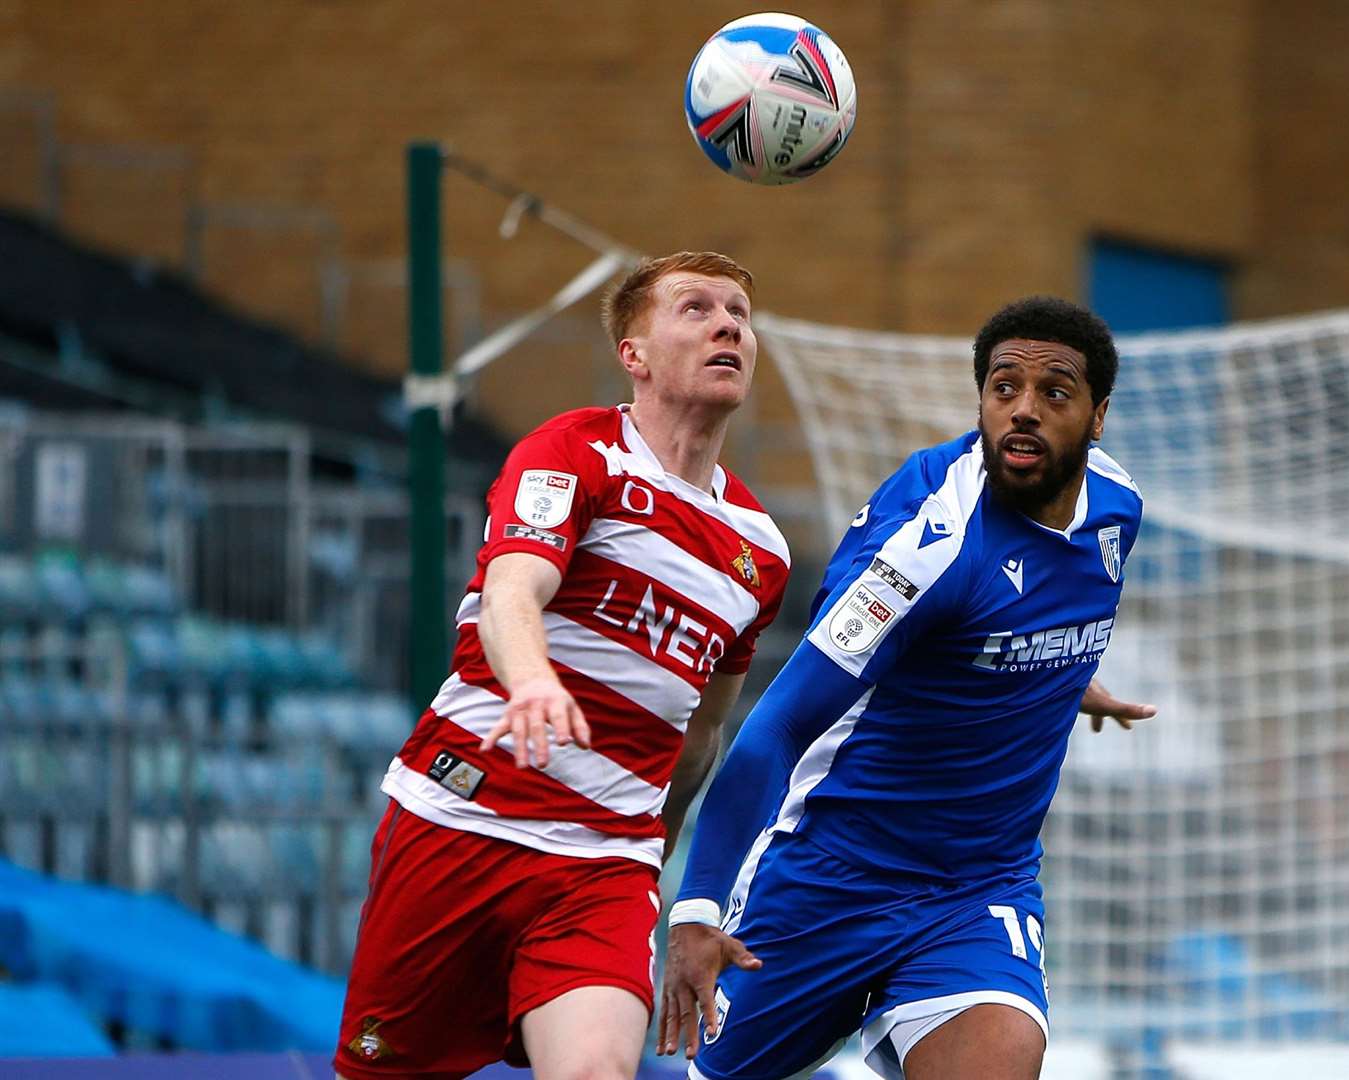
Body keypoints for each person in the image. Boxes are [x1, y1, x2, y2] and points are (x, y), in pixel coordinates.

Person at [659, 296, 1156, 1080]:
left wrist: (1060, 672)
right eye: (1003, 389)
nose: (1022, 411)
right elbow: (778, 728)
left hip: (979, 888)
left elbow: (1033, 609)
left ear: (1098, 418)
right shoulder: (930, 549)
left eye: (1053, 394)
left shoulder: (1118, 511)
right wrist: (695, 909)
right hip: (830, 875)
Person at [334, 251, 789, 1080]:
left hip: (602, 862)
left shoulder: (762, 549)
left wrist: (655, 861)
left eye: (739, 313)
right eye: (695, 308)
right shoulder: (574, 451)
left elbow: (703, 734)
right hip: (461, 819)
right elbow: (513, 587)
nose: (729, 324)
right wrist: (535, 679)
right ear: (634, 354)